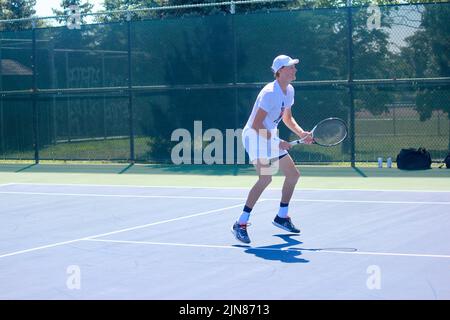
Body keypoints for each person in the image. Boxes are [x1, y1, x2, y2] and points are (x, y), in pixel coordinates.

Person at [232, 54, 313, 244]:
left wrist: (301, 133)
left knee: (293, 174)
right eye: (290, 67)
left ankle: (281, 217)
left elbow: (287, 118)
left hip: (270, 135)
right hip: (255, 137)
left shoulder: (289, 90)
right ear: (280, 72)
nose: (294, 69)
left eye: (294, 66)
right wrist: (277, 141)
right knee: (266, 178)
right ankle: (240, 223)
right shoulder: (269, 93)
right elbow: (256, 125)